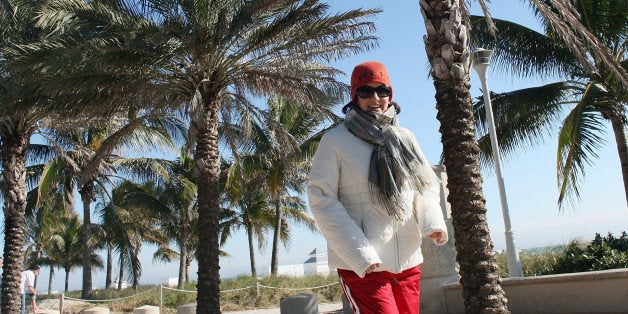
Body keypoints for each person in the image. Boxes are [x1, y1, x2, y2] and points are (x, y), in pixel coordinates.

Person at [307, 61, 448, 314]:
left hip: (407, 260)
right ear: (354, 96)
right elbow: (321, 198)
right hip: (364, 266)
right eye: (365, 91)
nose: (375, 98)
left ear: (390, 95)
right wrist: (360, 254)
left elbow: (426, 185)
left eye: (382, 90)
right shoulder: (335, 140)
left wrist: (431, 221)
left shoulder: (405, 137)